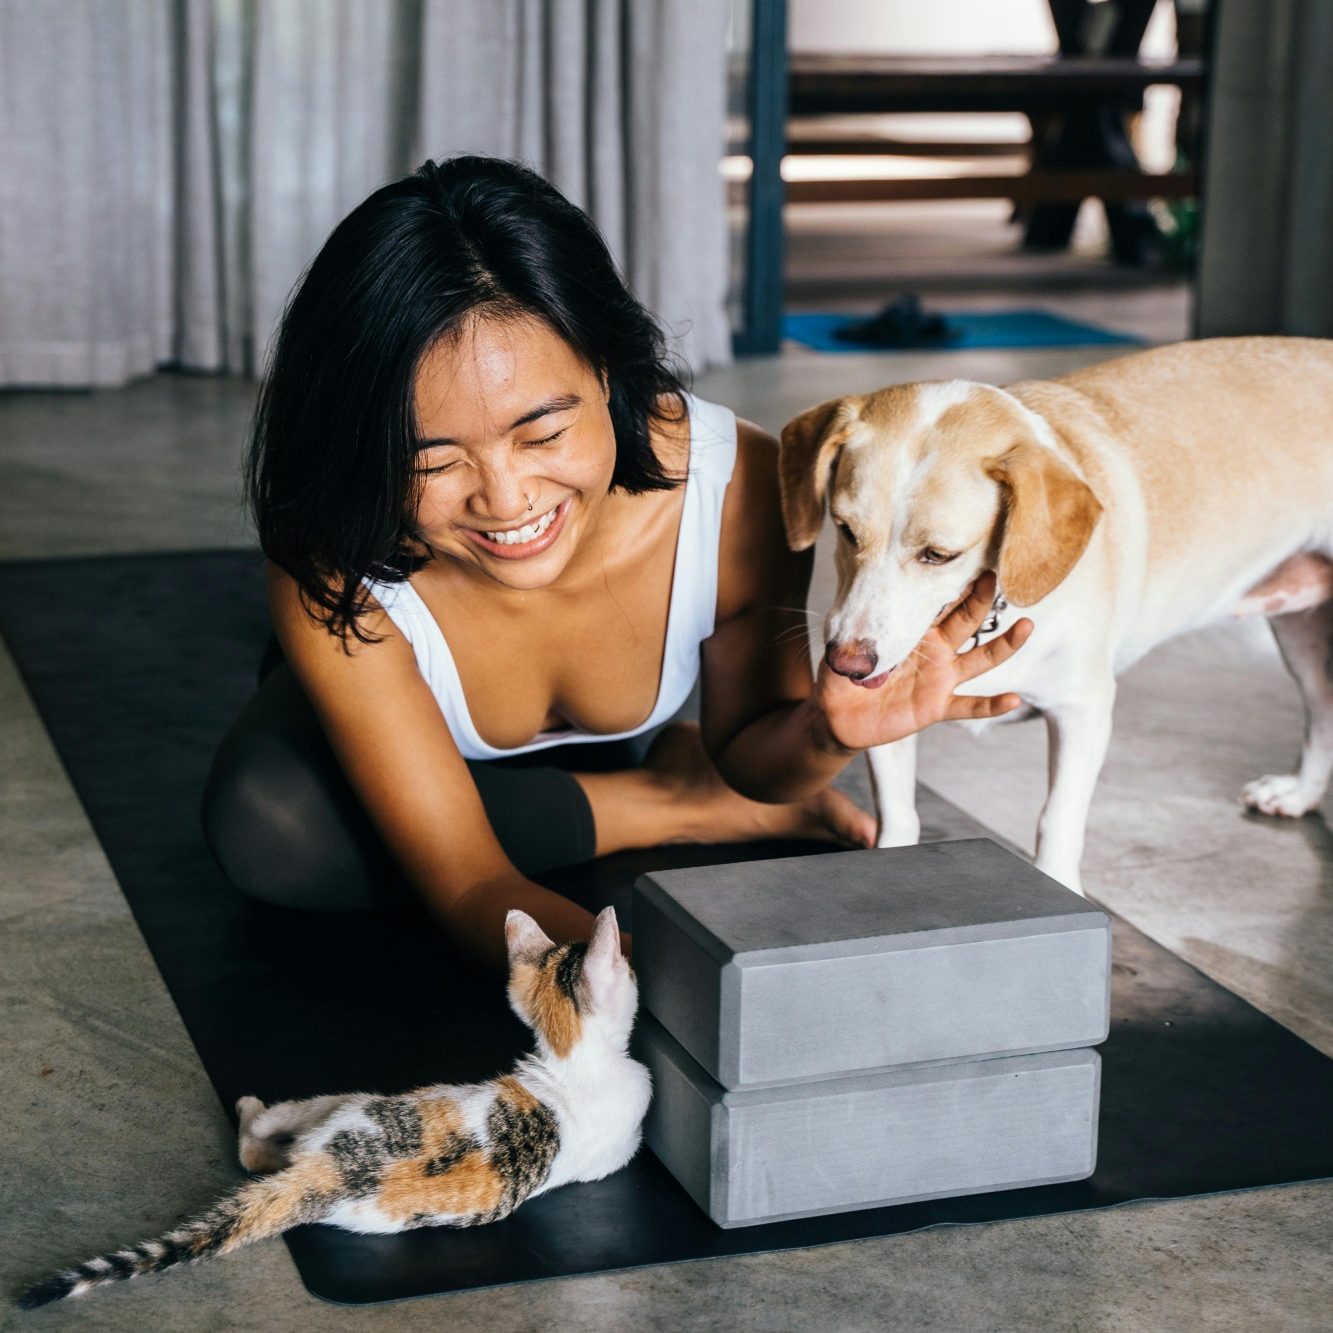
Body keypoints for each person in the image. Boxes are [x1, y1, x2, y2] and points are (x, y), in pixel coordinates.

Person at [202, 156, 1031, 973]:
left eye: (543, 433)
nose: (505, 498)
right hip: (379, 738)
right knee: (272, 828)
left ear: (606, 370)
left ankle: (662, 784)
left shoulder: (733, 486)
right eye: (433, 458)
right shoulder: (334, 547)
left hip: (602, 747)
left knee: (736, 774)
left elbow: (754, 758)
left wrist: (824, 729)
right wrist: (651, 988)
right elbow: (470, 884)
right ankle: (664, 798)